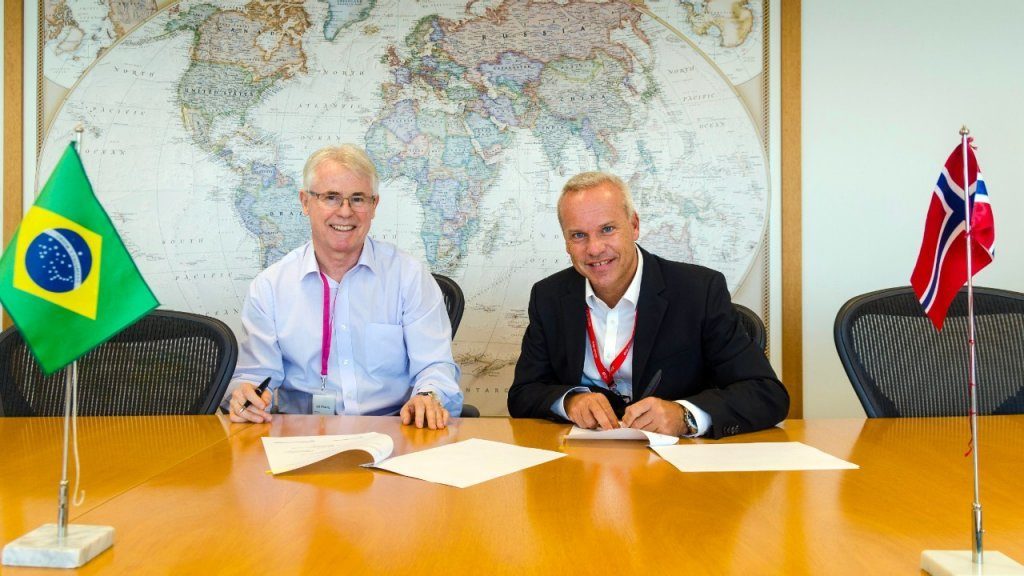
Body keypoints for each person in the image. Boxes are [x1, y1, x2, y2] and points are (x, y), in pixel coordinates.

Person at [507, 172, 788, 439]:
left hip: (677, 468)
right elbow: (523, 393)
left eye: (607, 229)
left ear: (634, 226)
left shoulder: (698, 291)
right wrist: (569, 402)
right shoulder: (549, 296)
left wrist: (685, 416)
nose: (594, 249)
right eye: (579, 235)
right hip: (584, 464)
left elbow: (766, 394)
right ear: (566, 242)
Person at [224, 144, 462, 429]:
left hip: (394, 432)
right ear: (305, 202)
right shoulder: (270, 287)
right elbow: (255, 376)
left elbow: (435, 366)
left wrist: (428, 395)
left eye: (358, 199)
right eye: (331, 197)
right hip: (302, 438)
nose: (345, 212)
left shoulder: (408, 277)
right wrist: (244, 396)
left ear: (374, 206)